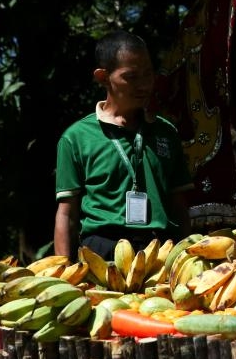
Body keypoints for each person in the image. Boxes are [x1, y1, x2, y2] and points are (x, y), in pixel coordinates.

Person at [54, 29, 194, 261]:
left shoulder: (166, 132)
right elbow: (67, 214)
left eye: (148, 74)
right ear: (102, 77)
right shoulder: (76, 137)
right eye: (131, 77)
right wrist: (63, 272)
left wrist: (187, 255)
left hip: (160, 251)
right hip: (101, 252)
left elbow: (179, 207)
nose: (144, 85)